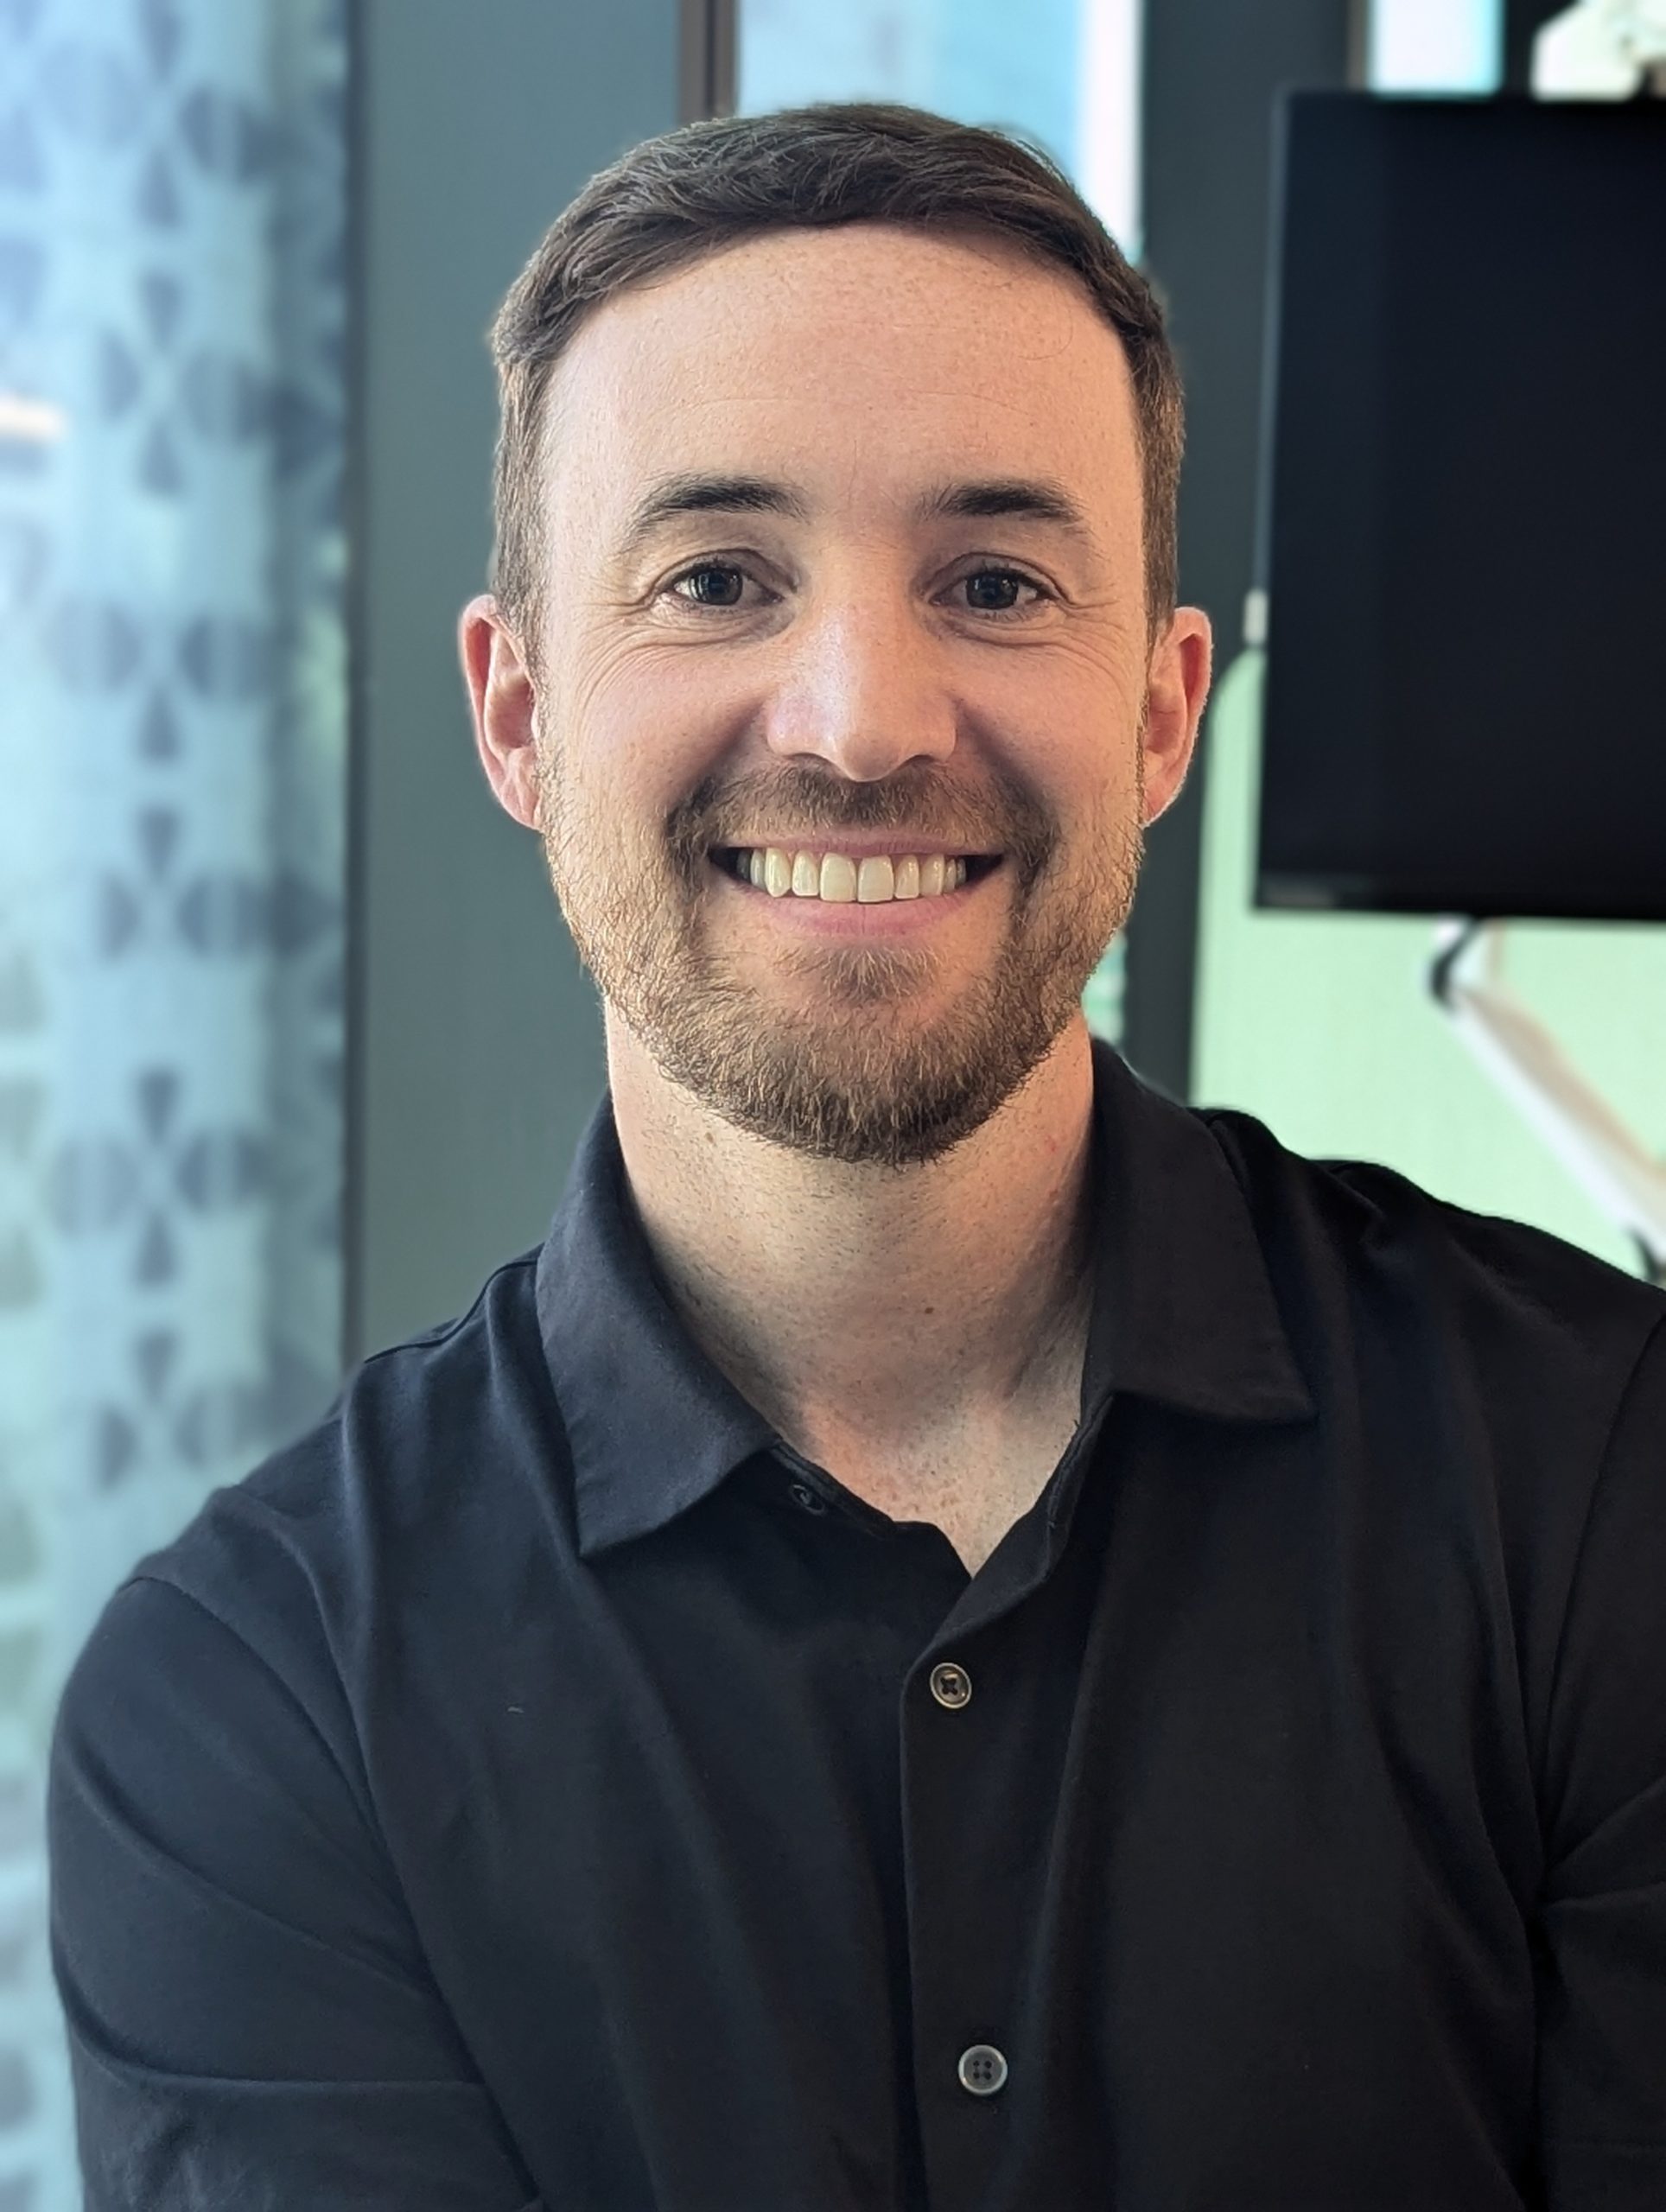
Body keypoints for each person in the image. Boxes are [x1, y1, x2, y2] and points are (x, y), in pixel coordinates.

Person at [47, 102, 1665, 2212]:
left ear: (1165, 709)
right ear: (518, 715)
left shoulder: (1598, 1482)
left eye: (994, 581)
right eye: (716, 576)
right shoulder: (251, 1713)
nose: (859, 718)